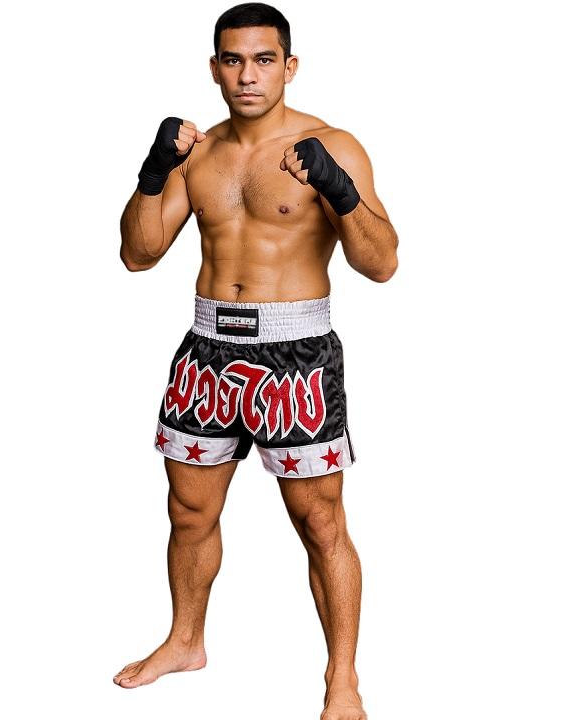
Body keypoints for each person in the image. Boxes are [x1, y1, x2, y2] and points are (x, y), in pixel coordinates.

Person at [113, 3, 398, 718]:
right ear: (214, 68)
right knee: (188, 511)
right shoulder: (198, 152)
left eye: (264, 60)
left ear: (289, 66)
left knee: (320, 522)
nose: (248, 75)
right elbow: (138, 255)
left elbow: (382, 263)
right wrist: (153, 173)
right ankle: (185, 641)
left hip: (294, 353)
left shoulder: (332, 144)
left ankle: (342, 679)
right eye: (234, 60)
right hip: (207, 350)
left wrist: (339, 190)